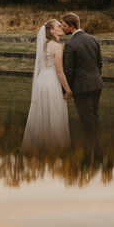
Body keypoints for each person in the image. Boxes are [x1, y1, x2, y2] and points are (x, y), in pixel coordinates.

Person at [21, 19, 73, 152]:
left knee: (42, 113)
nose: (62, 28)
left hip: (41, 80)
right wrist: (68, 90)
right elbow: (60, 72)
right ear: (51, 30)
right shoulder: (57, 47)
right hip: (52, 82)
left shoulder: (44, 45)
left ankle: (39, 145)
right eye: (59, 26)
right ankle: (56, 148)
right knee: (54, 113)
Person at [61, 12, 104, 148]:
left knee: (86, 118)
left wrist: (67, 90)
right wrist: (96, 78)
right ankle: (96, 147)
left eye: (64, 26)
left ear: (72, 27)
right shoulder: (93, 39)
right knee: (94, 115)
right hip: (96, 84)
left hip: (82, 87)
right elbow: (99, 63)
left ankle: (90, 147)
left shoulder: (70, 44)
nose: (63, 28)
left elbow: (69, 70)